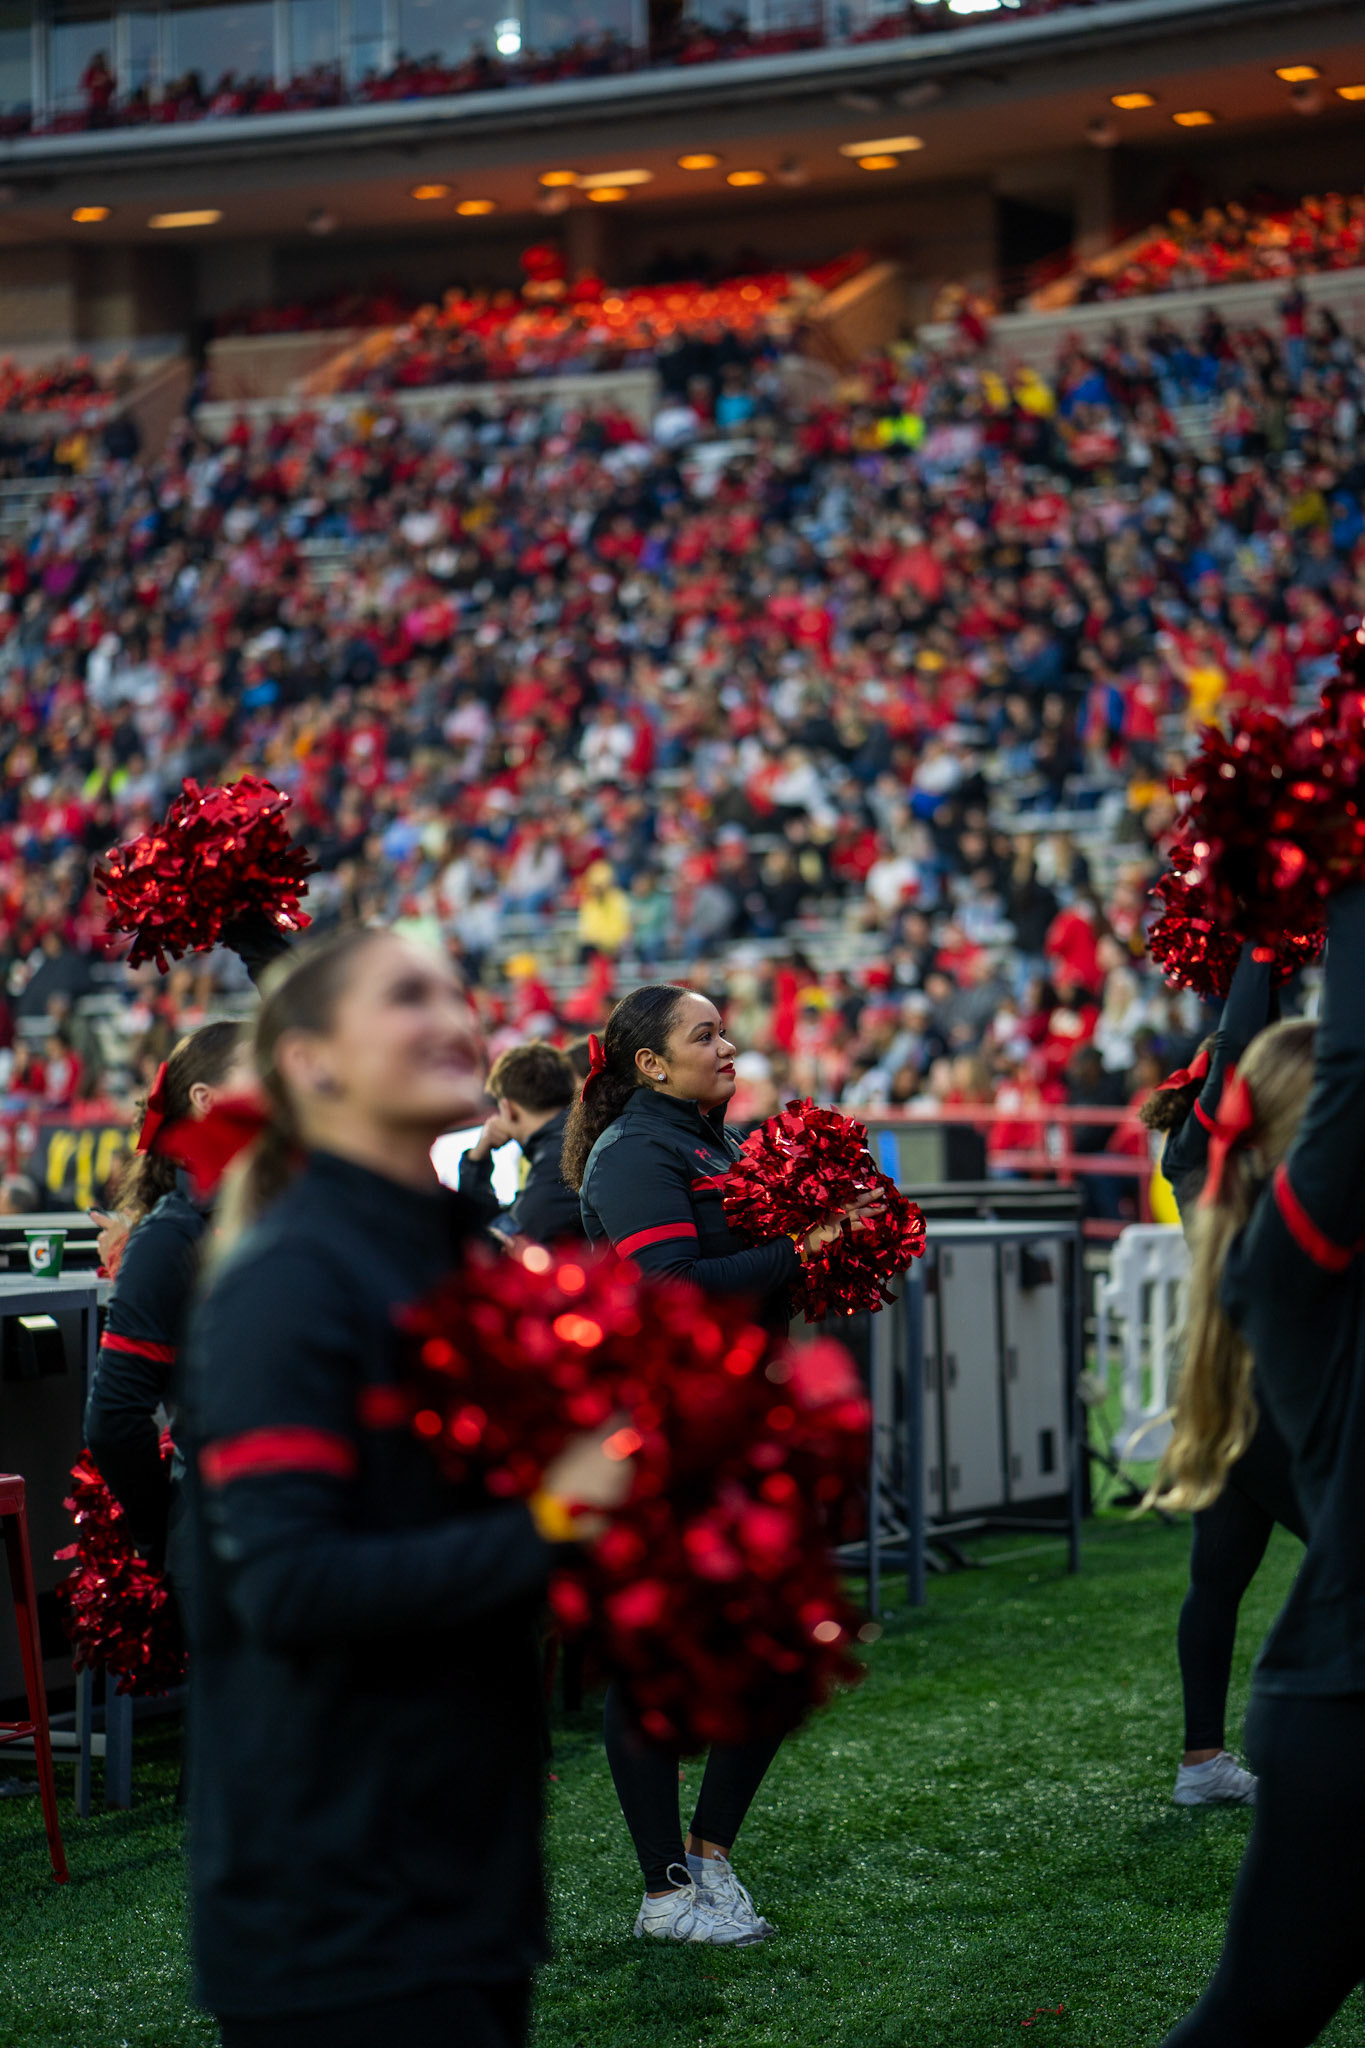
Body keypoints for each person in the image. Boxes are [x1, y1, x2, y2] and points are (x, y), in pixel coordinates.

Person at [179, 928, 629, 2048]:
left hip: (465, 1871)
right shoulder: (288, 1278)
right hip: (338, 1909)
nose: (452, 1018)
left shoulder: (448, 1255)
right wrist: (557, 1517)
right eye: (406, 997)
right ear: (310, 1063)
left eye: (453, 993)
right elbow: (289, 1585)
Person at [560, 981, 879, 1947]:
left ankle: (710, 1860)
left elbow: (753, 1283)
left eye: (725, 1030)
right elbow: (670, 1293)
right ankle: (663, 1894)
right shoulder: (634, 1152)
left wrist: (840, 1242)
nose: (728, 1045)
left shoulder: (719, 1142)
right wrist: (802, 1248)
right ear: (650, 1064)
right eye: (705, 1035)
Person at [1156, 884, 1365, 2047]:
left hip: (1324, 1677)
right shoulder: (1290, 1252)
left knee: (1219, 1573)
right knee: (1252, 2015)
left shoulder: (1258, 1227)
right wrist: (1313, 876)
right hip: (1344, 1696)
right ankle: (1200, 1751)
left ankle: (1201, 1752)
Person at [1139, 945, 1307, 1808]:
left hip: (1219, 1386)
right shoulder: (1211, 1140)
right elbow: (1244, 1037)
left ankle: (1200, 1762)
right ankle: (1306, 1739)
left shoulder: (1207, 1149)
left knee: (1217, 1577)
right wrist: (1260, 940)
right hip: (1264, 1389)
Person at [84, 1021, 248, 1563]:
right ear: (207, 1101)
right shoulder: (170, 1236)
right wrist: (164, 1536)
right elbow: (114, 1421)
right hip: (219, 1545)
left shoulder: (286, 1209)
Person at [458, 1041, 583, 1244]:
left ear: (508, 1108)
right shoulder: (574, 1136)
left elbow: (506, 1244)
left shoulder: (556, 1162)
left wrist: (476, 1162)